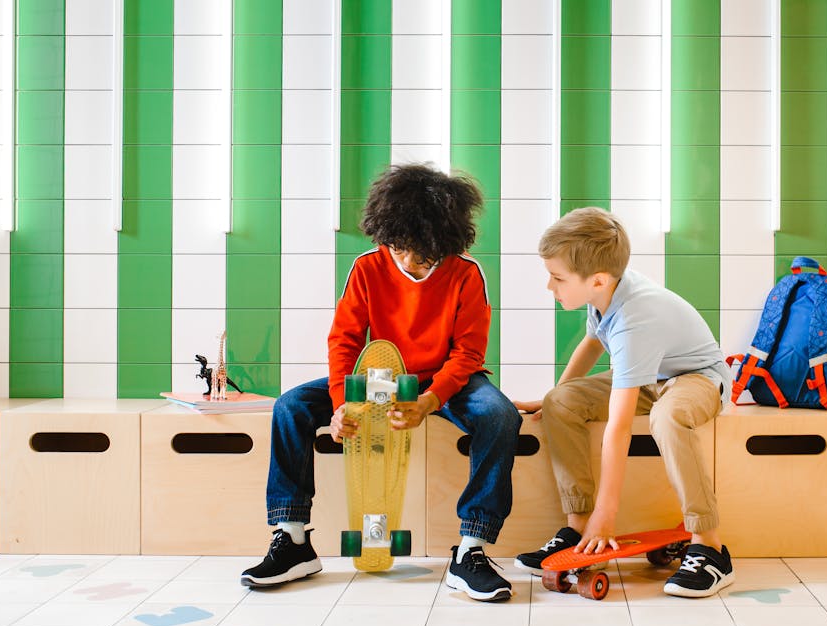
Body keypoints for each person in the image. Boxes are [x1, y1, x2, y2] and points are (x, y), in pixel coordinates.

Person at [241, 163, 521, 602]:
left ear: (447, 241)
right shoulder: (368, 267)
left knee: (500, 416)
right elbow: (344, 341)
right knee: (290, 406)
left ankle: (472, 549)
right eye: (401, 247)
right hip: (379, 378)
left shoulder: (465, 274)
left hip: (442, 381)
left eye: (423, 252)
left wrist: (429, 402)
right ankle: (293, 539)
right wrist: (340, 404)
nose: (409, 261)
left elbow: (468, 354)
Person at [513, 207, 735, 598]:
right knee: (562, 401)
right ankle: (577, 526)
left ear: (596, 279)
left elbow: (618, 430)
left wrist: (608, 513)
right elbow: (593, 341)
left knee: (667, 419)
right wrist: (554, 399)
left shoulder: (635, 319)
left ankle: (710, 545)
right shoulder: (605, 290)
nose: (550, 286)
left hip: (697, 377)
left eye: (557, 278)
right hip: (651, 375)